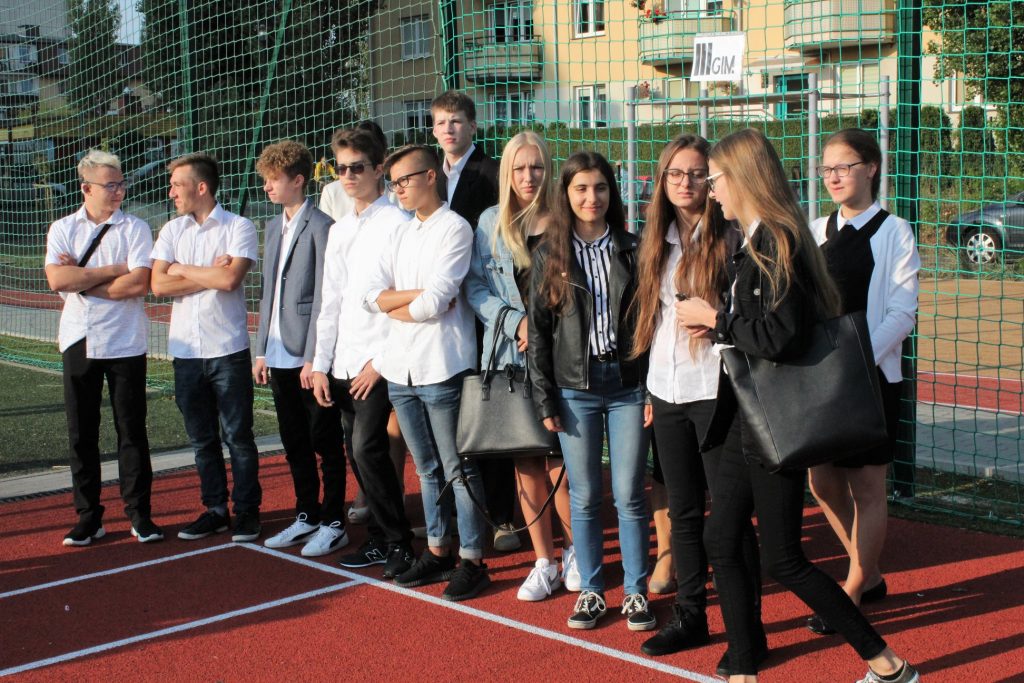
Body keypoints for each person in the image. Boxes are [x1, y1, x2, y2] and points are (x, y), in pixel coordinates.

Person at [677, 128, 918, 683]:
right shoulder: (760, 239)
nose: (711, 191)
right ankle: (744, 665)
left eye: (715, 180)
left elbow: (781, 336)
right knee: (722, 538)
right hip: (748, 416)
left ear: (741, 178)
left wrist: (715, 320)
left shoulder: (778, 242)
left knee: (784, 559)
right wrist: (721, 323)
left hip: (774, 418)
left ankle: (886, 663)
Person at [629, 134, 758, 658]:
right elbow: (652, 318)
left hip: (716, 389)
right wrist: (646, 388)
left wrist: (718, 319)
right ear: (662, 179)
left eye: (697, 174)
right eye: (675, 173)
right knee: (681, 511)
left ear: (712, 179)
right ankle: (691, 616)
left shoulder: (732, 235)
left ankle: (746, 627)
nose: (685, 183)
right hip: (666, 387)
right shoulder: (653, 237)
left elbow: (747, 315)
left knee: (728, 516)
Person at [529, 150, 653, 631]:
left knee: (628, 494)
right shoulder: (549, 254)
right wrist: (545, 398)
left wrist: (649, 389)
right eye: (580, 188)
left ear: (611, 192)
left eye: (600, 187)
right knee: (583, 496)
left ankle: (637, 592)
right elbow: (539, 333)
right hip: (574, 389)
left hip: (627, 385)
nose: (591, 197)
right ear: (565, 194)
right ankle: (593, 591)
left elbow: (649, 322)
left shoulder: (633, 248)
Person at [805, 129, 921, 635]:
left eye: (844, 166)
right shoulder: (814, 230)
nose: (833, 176)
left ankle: (852, 589)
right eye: (827, 168)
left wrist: (857, 360)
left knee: (868, 486)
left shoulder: (895, 231)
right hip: (821, 380)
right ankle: (868, 570)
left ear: (871, 168)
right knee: (821, 481)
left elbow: (902, 312)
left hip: (870, 378)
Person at [363, 144, 490, 601]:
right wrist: (408, 300)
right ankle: (438, 551)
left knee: (459, 468)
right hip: (401, 370)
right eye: (393, 182)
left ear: (431, 176)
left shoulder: (455, 228)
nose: (397, 188)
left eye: (405, 179)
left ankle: (473, 559)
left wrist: (396, 303)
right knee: (427, 468)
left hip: (442, 366)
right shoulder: (399, 232)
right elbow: (370, 296)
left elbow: (438, 302)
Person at [463, 131, 577, 601]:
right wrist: (516, 322)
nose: (528, 176)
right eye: (519, 168)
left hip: (564, 355)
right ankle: (544, 561)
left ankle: (576, 551)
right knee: (527, 457)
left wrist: (547, 326)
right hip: (512, 358)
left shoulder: (566, 217)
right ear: (507, 173)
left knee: (563, 460)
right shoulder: (490, 222)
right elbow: (475, 289)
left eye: (537, 167)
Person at [312, 129, 416, 579]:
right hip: (343, 361)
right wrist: (320, 364)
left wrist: (380, 363)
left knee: (368, 449)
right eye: (341, 168)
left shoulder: (398, 224)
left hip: (378, 363)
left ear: (379, 169)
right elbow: (330, 300)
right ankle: (381, 538)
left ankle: (399, 543)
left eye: (357, 167)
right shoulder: (339, 230)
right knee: (359, 454)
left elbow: (404, 300)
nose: (349, 175)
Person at [45, 149, 160, 546]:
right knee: (82, 432)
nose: (119, 191)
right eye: (110, 185)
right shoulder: (63, 228)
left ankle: (139, 514)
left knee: (131, 430)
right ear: (86, 189)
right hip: (78, 337)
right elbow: (57, 280)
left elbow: (138, 283)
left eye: (121, 184)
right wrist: (115, 269)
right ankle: (88, 517)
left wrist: (82, 277)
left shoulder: (135, 228)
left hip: (125, 340)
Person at [151, 152, 263, 543]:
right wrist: (209, 273)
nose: (171, 193)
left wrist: (182, 268)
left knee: (238, 437)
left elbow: (230, 281)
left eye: (177, 185)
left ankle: (247, 511)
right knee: (202, 440)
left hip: (227, 350)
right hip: (186, 354)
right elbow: (158, 285)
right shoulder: (171, 231)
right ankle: (215, 510)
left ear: (201, 187)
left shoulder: (238, 226)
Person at [431, 90, 518, 552]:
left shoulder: (491, 173)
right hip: (440, 315)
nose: (449, 129)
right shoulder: (428, 173)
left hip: (484, 307)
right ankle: (457, 512)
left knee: (492, 412)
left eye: (457, 121)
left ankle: (503, 516)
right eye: (442, 122)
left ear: (473, 126)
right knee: (453, 418)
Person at [252, 140, 348, 557]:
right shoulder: (273, 226)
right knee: (294, 442)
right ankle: (306, 513)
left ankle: (334, 520)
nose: (267, 187)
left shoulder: (323, 226)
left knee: (325, 441)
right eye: (266, 180)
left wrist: (314, 357)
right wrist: (261, 350)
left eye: (274, 180)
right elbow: (267, 292)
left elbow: (326, 295)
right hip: (277, 352)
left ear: (298, 180)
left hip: (309, 355)